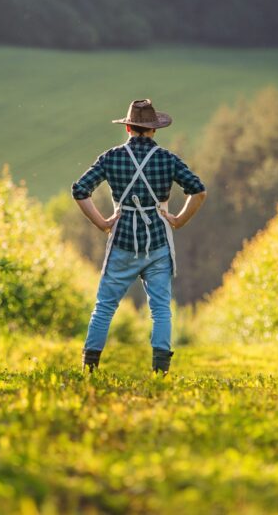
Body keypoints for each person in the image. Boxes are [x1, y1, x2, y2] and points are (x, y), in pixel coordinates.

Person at [71, 98, 207, 375]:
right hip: (157, 243)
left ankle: (90, 368)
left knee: (104, 307)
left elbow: (80, 190)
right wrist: (179, 220)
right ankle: (160, 370)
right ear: (154, 130)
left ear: (128, 129)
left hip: (121, 241)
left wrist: (102, 223)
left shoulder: (111, 157)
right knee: (160, 310)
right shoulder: (168, 159)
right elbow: (199, 190)